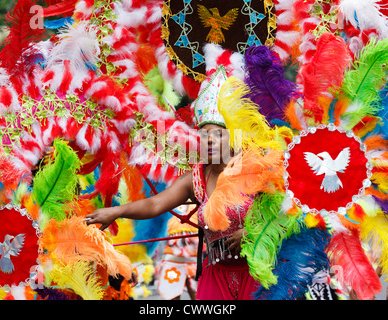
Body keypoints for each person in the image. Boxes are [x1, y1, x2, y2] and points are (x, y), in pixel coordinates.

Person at [86, 65, 261, 299]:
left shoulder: (256, 172)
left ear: (235, 136)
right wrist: (115, 211)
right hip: (215, 277)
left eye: (218, 134)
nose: (210, 141)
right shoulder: (195, 179)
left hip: (259, 275)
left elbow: (286, 212)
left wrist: (252, 232)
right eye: (205, 135)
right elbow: (155, 205)